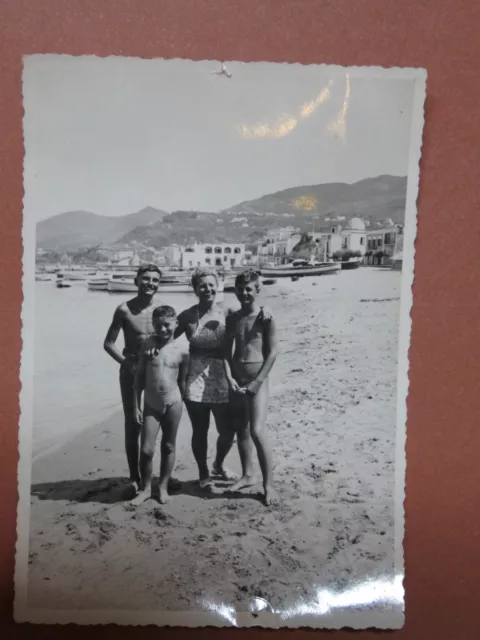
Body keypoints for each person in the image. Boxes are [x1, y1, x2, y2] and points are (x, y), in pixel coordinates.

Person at [175, 267, 238, 488]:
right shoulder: (186, 316)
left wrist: (266, 310)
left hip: (223, 375)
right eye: (202, 285)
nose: (207, 288)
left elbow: (250, 321)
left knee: (227, 431)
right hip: (194, 379)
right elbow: (164, 338)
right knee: (199, 430)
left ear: (218, 285)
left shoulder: (228, 312)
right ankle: (203, 473)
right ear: (195, 289)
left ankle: (218, 464)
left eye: (211, 284)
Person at [103, 264, 162, 493]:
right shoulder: (124, 310)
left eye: (155, 280)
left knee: (157, 420)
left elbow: (172, 335)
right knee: (133, 423)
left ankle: (153, 474)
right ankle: (133, 476)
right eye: (145, 279)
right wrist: (127, 363)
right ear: (136, 281)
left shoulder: (162, 308)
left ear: (159, 283)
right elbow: (108, 344)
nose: (150, 283)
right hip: (131, 371)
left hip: (156, 371)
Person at [224, 269, 278, 506]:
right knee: (241, 429)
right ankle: (248, 475)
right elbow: (226, 353)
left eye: (249, 289)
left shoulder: (266, 317)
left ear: (258, 290)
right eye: (240, 289)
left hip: (258, 378)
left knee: (257, 430)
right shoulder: (233, 318)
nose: (244, 293)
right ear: (235, 290)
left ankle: (268, 485)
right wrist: (229, 378)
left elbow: (273, 352)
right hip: (236, 377)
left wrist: (257, 382)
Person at [131, 305, 189, 506]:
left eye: (167, 325)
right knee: (146, 450)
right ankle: (145, 488)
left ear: (176, 324)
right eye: (158, 326)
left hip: (174, 402)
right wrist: (136, 406)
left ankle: (163, 487)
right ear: (152, 326)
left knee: (168, 445)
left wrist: (183, 402)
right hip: (151, 404)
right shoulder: (148, 346)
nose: (163, 330)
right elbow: (138, 378)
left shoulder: (183, 351)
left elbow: (182, 381)